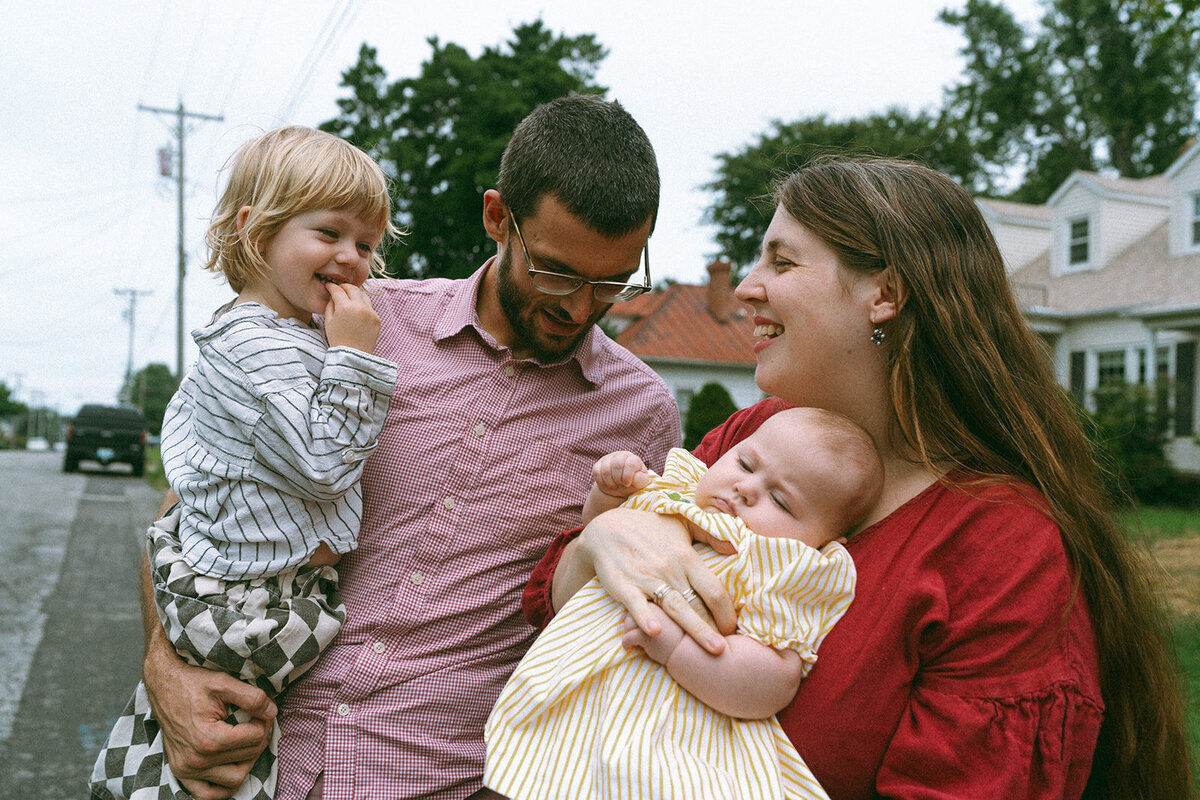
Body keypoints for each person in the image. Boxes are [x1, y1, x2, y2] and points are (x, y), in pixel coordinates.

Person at [526, 155, 1195, 799]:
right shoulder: (756, 435)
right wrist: (601, 541)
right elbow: (559, 603)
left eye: (782, 261)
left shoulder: (1001, 548)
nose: (746, 288)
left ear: (886, 295)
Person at [136, 94, 681, 800]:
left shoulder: (642, 416)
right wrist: (164, 668)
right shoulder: (351, 322)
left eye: (611, 282)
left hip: (439, 776)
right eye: (555, 272)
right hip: (254, 755)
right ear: (496, 218)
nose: (578, 306)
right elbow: (200, 493)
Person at [91, 126, 400, 800]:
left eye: (367, 244)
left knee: (203, 749)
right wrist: (354, 358)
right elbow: (323, 464)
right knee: (228, 753)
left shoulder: (283, 336)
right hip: (248, 599)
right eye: (331, 233)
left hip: (256, 586)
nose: (354, 259)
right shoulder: (255, 345)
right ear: (256, 232)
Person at [485, 407, 881, 799]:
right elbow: (598, 540)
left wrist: (678, 649)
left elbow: (774, 680)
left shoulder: (782, 564)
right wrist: (607, 498)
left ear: (824, 539)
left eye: (780, 501)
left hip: (669, 735)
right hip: (572, 699)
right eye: (745, 463)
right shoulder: (677, 492)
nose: (746, 488)